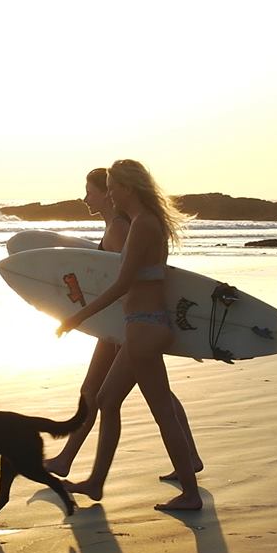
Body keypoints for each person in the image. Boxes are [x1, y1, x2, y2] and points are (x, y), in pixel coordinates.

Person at [54, 159, 204, 512]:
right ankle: (95, 482)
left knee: (163, 411)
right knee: (107, 401)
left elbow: (122, 284)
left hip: (144, 329)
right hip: (143, 326)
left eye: (112, 188)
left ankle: (191, 493)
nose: (110, 194)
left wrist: (78, 316)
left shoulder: (142, 225)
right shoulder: (145, 223)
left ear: (126, 188)